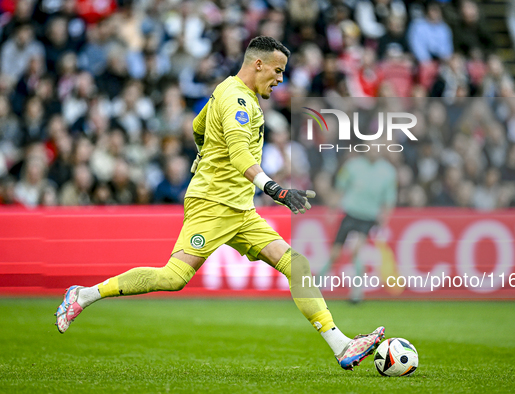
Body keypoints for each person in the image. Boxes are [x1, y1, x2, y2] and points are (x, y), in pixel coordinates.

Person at [54, 36, 384, 370]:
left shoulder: (226, 91)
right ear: (258, 64)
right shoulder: (238, 100)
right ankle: (84, 294)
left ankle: (341, 345)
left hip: (240, 209)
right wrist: (275, 189)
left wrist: (207, 151)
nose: (281, 79)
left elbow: (198, 127)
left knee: (296, 265)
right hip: (212, 205)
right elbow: (240, 153)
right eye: (278, 70)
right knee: (173, 278)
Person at [318, 147, 397, 303]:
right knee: (335, 254)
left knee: (356, 251)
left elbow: (389, 199)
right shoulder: (353, 165)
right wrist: (333, 209)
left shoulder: (388, 172)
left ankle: (356, 294)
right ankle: (315, 288)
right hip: (350, 213)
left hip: (368, 217)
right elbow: (340, 188)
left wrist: (384, 219)